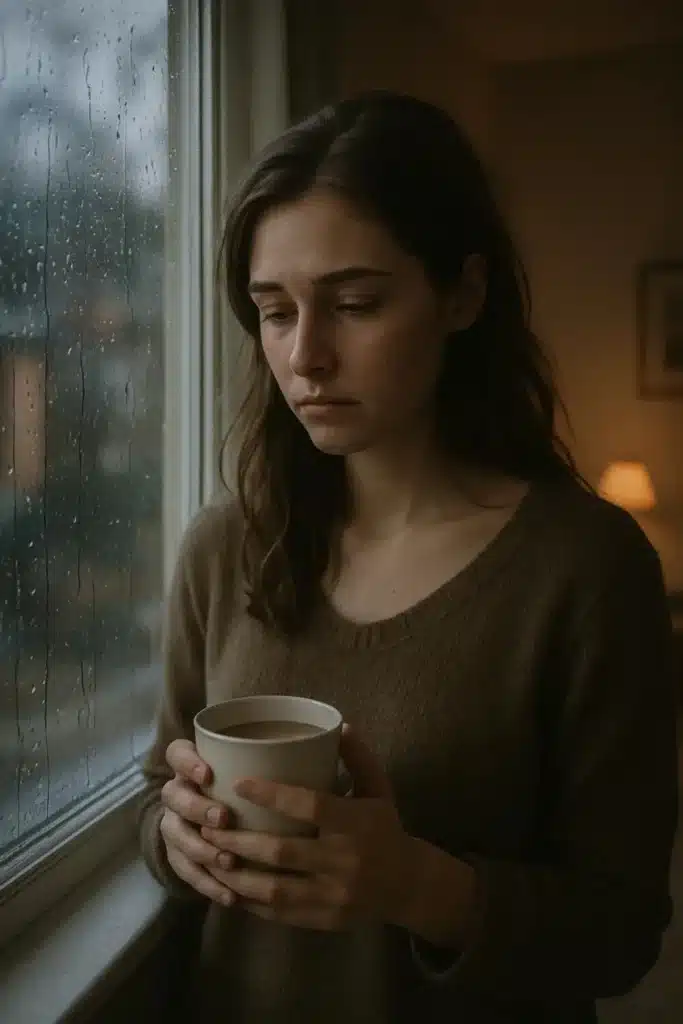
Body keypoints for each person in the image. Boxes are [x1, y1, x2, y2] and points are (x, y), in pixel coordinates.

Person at [139, 91, 678, 1023]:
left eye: (354, 303)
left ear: (461, 294)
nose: (305, 356)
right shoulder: (227, 545)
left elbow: (623, 930)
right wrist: (173, 837)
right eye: (274, 312)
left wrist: (417, 887)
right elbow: (160, 786)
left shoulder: (586, 570)